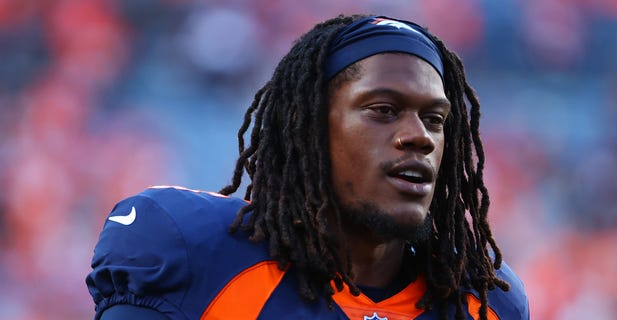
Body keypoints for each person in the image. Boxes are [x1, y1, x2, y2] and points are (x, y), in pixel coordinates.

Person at [86, 14, 529, 320]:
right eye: (382, 109)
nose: (420, 136)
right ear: (308, 128)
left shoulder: (483, 299)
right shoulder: (195, 255)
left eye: (435, 119)